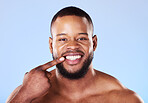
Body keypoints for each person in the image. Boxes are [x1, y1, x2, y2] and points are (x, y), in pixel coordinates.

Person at [6, 6, 143, 103]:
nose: (72, 46)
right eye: (63, 39)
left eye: (81, 38)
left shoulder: (124, 99)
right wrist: (25, 96)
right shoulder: (26, 95)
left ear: (94, 43)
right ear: (50, 45)